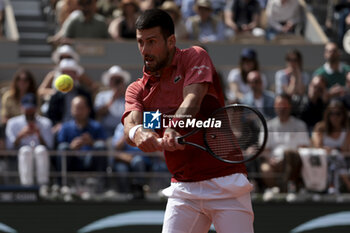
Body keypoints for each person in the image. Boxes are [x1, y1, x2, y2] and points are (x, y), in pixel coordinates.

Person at [123, 9, 254, 233]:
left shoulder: (194, 56)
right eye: (140, 42)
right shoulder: (138, 90)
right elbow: (132, 124)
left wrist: (173, 128)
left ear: (171, 40)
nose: (145, 50)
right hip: (184, 189)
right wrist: (140, 133)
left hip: (226, 181)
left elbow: (192, 99)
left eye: (152, 42)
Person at [260, 94, 310, 191]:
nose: (282, 108)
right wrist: (270, 160)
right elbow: (264, 150)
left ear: (290, 106)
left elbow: (303, 147)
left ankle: (293, 187)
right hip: (273, 162)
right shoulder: (267, 126)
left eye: (285, 105)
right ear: (275, 107)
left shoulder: (300, 125)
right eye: (279, 105)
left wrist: (288, 159)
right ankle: (276, 190)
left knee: (290, 159)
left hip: (295, 161)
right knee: (265, 169)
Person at [5, 93, 53, 186]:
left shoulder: (45, 123)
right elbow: (9, 146)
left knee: (41, 150)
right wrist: (20, 135)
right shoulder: (13, 123)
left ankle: (43, 185)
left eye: (32, 108)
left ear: (36, 108)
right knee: (25, 150)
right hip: (17, 158)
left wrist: (39, 135)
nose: (29, 111)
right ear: (21, 107)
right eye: (27, 108)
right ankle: (27, 186)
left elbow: (49, 146)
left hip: (41, 156)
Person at [57, 95, 107, 172]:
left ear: (88, 109)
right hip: (73, 160)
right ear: (71, 110)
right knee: (63, 147)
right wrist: (71, 147)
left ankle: (101, 181)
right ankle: (62, 181)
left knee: (100, 145)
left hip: (90, 160)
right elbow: (60, 145)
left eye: (82, 108)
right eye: (76, 108)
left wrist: (91, 143)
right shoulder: (65, 127)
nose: (79, 111)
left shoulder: (96, 126)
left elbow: (104, 145)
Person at [311, 99, 350, 193]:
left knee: (335, 157)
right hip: (323, 162)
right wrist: (335, 150)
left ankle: (333, 187)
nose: (334, 117)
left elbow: (346, 150)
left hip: (344, 162)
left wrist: (333, 150)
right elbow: (317, 147)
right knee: (334, 158)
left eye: (338, 114)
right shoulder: (320, 128)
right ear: (327, 115)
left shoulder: (347, 130)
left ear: (343, 115)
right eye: (331, 113)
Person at [94, 65, 130, 137]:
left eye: (118, 80)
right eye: (113, 79)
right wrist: (113, 98)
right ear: (109, 81)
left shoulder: (129, 97)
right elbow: (99, 113)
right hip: (106, 131)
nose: (116, 82)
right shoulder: (102, 95)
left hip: (124, 131)